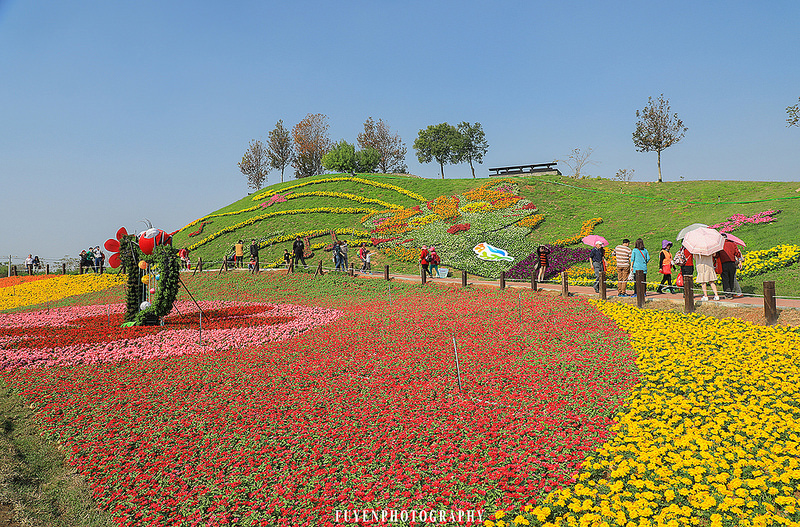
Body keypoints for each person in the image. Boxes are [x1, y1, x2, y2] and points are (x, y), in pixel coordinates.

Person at [716, 234, 741, 299]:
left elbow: (717, 255)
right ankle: (732, 293)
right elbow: (737, 253)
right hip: (732, 263)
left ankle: (728, 294)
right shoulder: (732, 243)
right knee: (732, 278)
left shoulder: (720, 245)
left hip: (723, 263)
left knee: (725, 279)